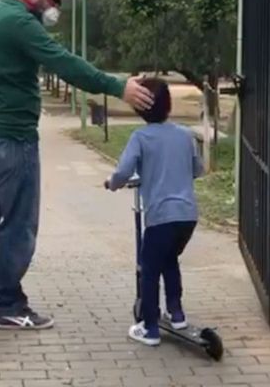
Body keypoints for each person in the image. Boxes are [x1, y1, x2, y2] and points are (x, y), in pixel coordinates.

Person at [0, 0, 154, 330]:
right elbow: (64, 63)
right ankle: (8, 305)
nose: (55, 9)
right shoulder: (22, 24)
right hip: (12, 138)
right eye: (54, 0)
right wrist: (116, 86)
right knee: (18, 222)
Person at [105, 78, 203, 346]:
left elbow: (124, 171)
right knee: (169, 259)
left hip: (160, 217)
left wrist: (113, 184)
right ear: (169, 106)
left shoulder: (140, 137)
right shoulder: (185, 135)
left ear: (140, 109)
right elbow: (198, 169)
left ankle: (149, 328)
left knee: (149, 268)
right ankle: (177, 312)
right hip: (187, 216)